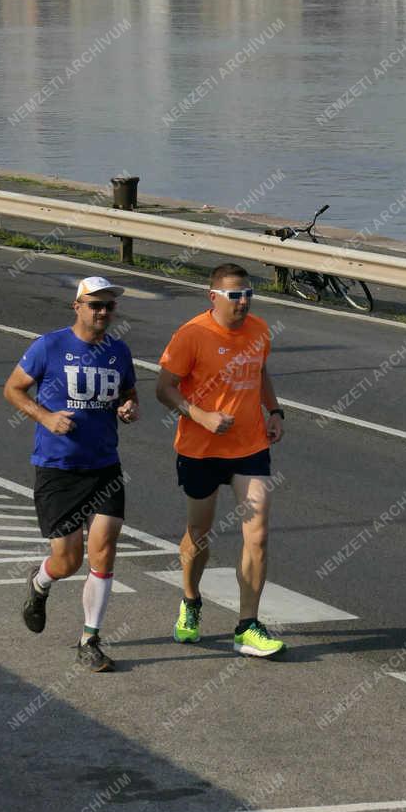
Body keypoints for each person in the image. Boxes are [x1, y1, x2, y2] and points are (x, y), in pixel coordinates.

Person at [2, 276, 138, 672]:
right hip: (58, 469)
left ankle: (89, 639)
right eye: (95, 305)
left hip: (104, 466)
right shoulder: (49, 346)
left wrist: (128, 408)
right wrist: (45, 417)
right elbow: (12, 389)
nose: (102, 312)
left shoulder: (118, 351)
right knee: (67, 561)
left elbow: (129, 393)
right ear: (76, 306)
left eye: (109, 306)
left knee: (106, 547)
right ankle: (40, 582)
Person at [155, 263, 286, 659]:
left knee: (257, 533)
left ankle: (248, 625)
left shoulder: (260, 330)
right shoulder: (192, 334)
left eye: (248, 294)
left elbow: (261, 372)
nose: (243, 302)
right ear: (213, 297)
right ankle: (191, 600)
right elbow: (164, 388)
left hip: (250, 446)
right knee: (199, 534)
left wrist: (275, 411)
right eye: (235, 295)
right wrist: (201, 416)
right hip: (200, 449)